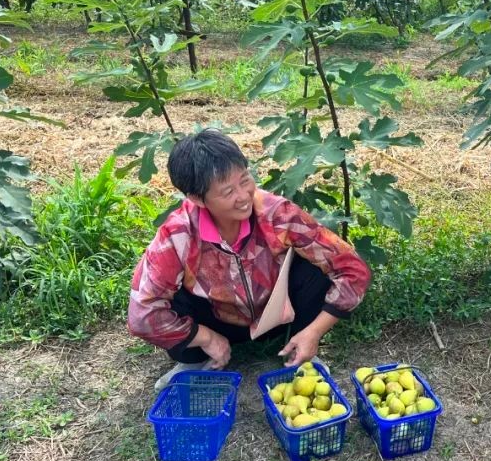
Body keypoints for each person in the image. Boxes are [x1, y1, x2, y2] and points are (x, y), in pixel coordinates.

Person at [128, 129, 372, 390]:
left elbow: (353, 269)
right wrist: (205, 337)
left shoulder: (277, 214)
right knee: (171, 294)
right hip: (217, 321)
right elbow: (142, 314)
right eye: (227, 191)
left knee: (314, 268)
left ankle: (301, 348)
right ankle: (195, 360)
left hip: (277, 316)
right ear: (197, 199)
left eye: (245, 179)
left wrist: (314, 331)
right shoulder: (178, 234)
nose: (243, 196)